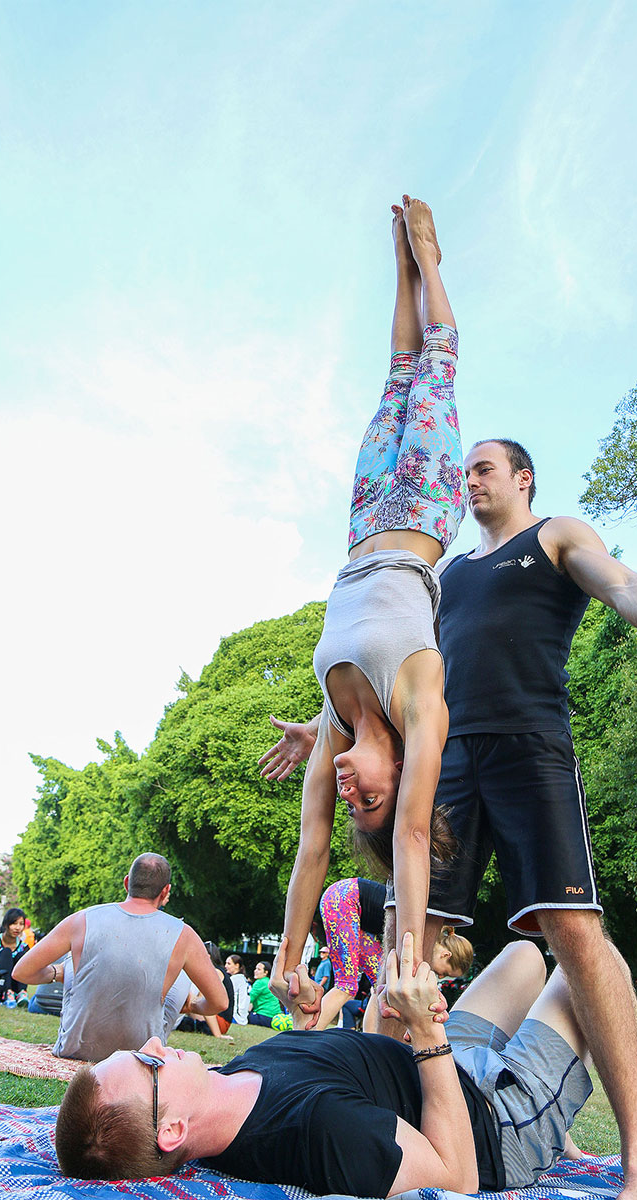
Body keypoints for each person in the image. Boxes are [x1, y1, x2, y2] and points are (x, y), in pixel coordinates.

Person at [260, 438, 637, 1199]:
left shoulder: (553, 536)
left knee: (573, 932)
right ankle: (373, 1126)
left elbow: (623, 584)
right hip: (449, 762)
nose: (468, 480)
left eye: (484, 467)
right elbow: (406, 663)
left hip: (530, 748)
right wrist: (322, 722)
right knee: (406, 944)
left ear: (524, 478)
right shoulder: (444, 575)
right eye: (464, 471)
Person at [267, 195, 466, 996]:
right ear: (403, 773)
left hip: (358, 529)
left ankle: (398, 265)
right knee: (439, 359)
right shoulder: (423, 698)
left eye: (357, 801)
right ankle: (430, 261)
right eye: (371, 796)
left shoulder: (336, 727)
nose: (353, 791)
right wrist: (408, 961)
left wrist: (285, 965)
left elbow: (311, 850)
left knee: (396, 375)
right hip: (420, 509)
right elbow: (413, 836)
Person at [55, 933, 599, 1195]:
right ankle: (634, 1146)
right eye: (148, 1066)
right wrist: (429, 1032)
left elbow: (334, 1070)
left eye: (136, 1049)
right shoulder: (317, 1132)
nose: (154, 1044)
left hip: (439, 1063)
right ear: (172, 1130)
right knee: (585, 962)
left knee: (524, 956)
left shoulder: (219, 1085)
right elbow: (454, 1179)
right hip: (492, 1118)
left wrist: (307, 1021)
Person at [12, 853, 227, 1061]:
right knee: (179, 975)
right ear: (165, 891)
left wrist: (57, 973)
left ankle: (68, 971)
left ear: (126, 883)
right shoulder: (184, 934)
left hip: (75, 1047)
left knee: (75, 963)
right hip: (142, 1052)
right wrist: (192, 1007)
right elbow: (219, 1002)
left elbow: (22, 971)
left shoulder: (83, 919)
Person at [315, 877, 472, 1031]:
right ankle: (308, 1034)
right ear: (446, 954)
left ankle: (372, 1042)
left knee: (382, 986)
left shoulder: (422, 939)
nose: (441, 976)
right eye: (445, 972)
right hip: (343, 898)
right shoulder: (420, 935)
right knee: (347, 985)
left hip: (353, 908)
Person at [247, 960, 282, 1027]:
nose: (255, 971)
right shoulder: (268, 981)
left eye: (259, 969)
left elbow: (249, 999)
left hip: (264, 1016)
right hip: (275, 1018)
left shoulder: (260, 982)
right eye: (255, 968)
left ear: (265, 972)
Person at [225, 953, 250, 1024]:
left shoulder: (235, 979)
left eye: (229, 964)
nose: (226, 966)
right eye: (226, 963)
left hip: (235, 1017)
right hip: (243, 1018)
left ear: (237, 966)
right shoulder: (242, 978)